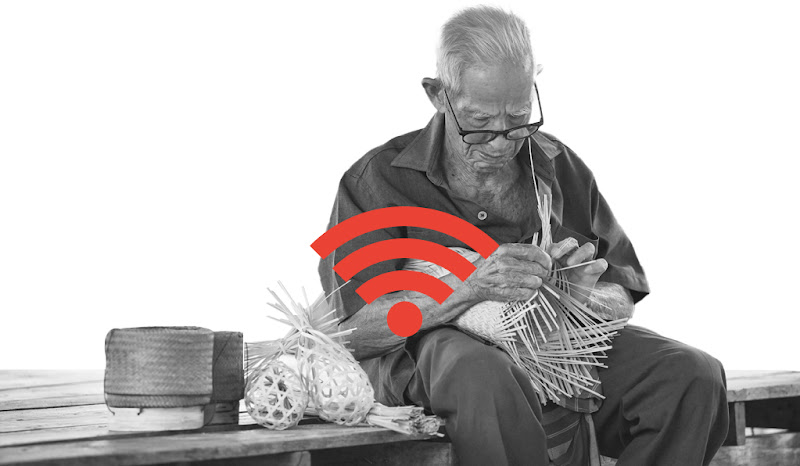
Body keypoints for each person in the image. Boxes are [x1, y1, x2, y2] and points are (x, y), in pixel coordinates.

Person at [318, 6, 729, 466]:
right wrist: (467, 288)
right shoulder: (377, 180)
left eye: (517, 118)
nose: (500, 143)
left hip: (556, 347)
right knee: (482, 373)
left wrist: (574, 298)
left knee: (690, 375)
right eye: (478, 123)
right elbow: (353, 331)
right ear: (437, 94)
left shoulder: (558, 164)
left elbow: (622, 289)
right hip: (436, 349)